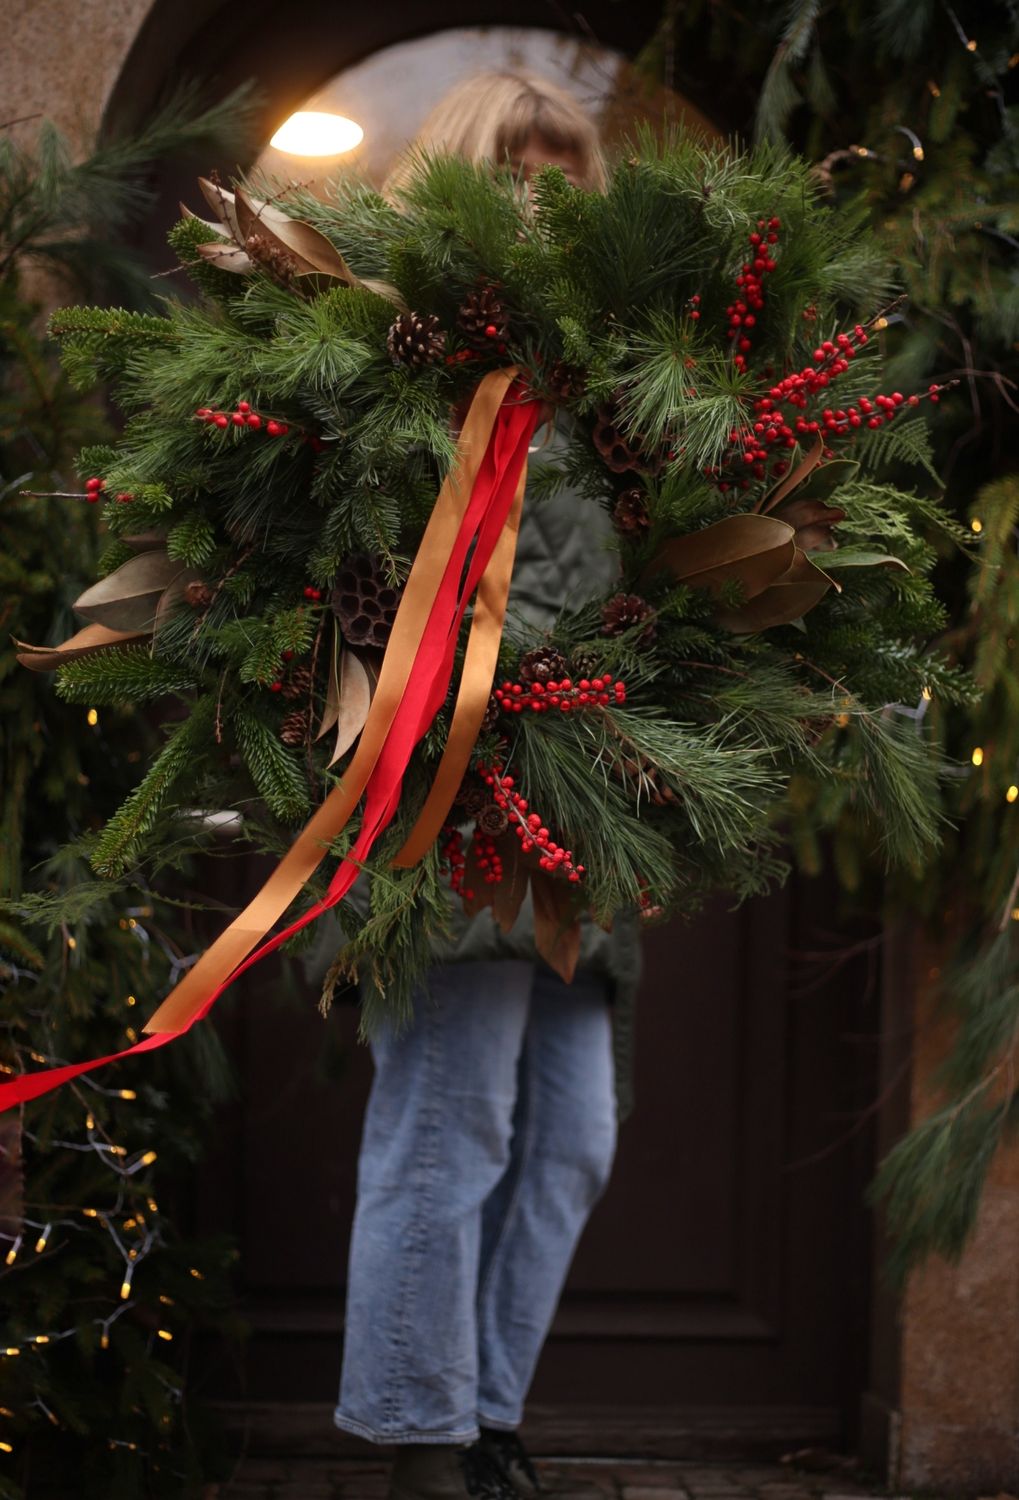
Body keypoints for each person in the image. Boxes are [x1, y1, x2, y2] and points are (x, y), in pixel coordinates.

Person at [328, 72, 641, 1500]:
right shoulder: (398, 358)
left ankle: (484, 1411)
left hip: (577, 813)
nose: (537, 194)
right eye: (509, 166)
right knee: (450, 1125)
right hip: (447, 808)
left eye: (559, 170)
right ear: (455, 176)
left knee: (572, 1138)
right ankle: (419, 1443)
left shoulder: (609, 374)